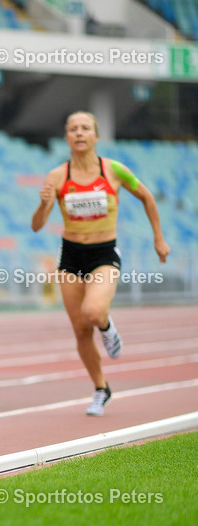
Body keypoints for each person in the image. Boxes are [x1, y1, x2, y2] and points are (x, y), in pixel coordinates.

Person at [32, 110, 170, 415]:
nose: (79, 133)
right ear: (66, 137)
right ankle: (100, 389)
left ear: (95, 135)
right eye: (73, 129)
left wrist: (158, 239)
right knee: (81, 330)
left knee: (93, 312)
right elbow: (37, 225)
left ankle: (107, 327)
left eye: (85, 128)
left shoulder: (114, 170)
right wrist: (44, 204)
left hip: (104, 254)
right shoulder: (57, 176)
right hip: (70, 256)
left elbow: (147, 197)